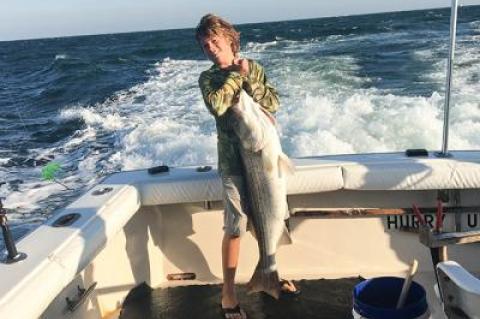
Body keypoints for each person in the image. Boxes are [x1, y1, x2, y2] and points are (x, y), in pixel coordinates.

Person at [196, 14, 298, 319]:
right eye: (205, 45)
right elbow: (217, 105)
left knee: (273, 215)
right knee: (237, 226)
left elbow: (272, 104)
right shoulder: (208, 79)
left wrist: (249, 73)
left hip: (260, 155)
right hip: (232, 163)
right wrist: (235, 76)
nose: (211, 48)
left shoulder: (253, 68)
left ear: (229, 38)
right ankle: (228, 295)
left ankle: (271, 274)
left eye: (215, 40)